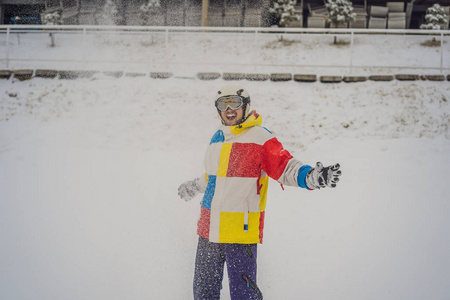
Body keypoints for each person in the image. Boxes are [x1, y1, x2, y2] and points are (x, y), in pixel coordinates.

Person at [178, 85, 342, 300]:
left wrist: (311, 176)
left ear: (245, 106)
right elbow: (213, 177)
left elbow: (285, 167)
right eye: (222, 104)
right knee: (203, 292)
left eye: (234, 104)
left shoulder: (260, 137)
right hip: (208, 229)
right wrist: (194, 186)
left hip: (240, 231)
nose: (229, 109)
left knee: (243, 295)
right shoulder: (217, 137)